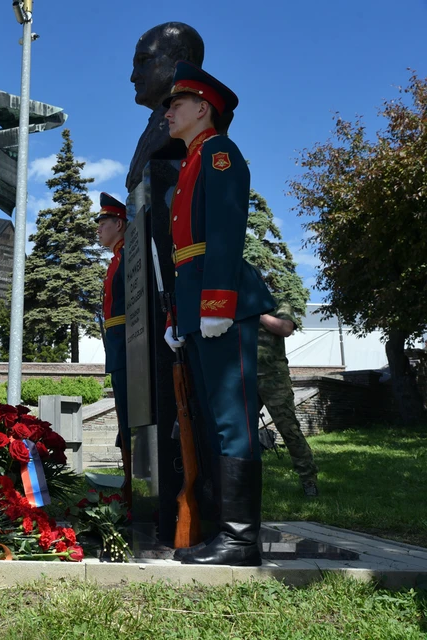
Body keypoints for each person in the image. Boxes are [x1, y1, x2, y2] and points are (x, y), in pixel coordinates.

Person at [162, 61, 275, 566]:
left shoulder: (219, 153)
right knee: (210, 419)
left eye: (176, 104)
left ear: (203, 108)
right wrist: (176, 318)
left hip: (220, 302)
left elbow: (226, 232)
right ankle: (226, 532)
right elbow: (182, 254)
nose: (168, 113)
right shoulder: (191, 161)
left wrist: (215, 303)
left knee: (233, 419)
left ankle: (242, 540)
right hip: (196, 304)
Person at [127, 22, 206, 193]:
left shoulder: (192, 127)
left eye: (144, 61)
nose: (133, 77)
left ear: (180, 61)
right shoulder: (156, 124)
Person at [94, 193, 132, 506]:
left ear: (118, 224)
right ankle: (130, 482)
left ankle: (134, 483)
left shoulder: (130, 256)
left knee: (130, 416)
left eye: (103, 223)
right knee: (124, 415)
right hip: (120, 345)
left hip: (131, 345)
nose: (98, 229)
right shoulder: (118, 258)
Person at [258, 304, 319, 496]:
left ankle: (308, 480)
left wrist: (256, 313)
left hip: (273, 377)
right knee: (241, 434)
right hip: (242, 377)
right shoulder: (232, 303)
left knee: (288, 429)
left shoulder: (275, 303)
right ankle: (246, 483)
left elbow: (285, 328)